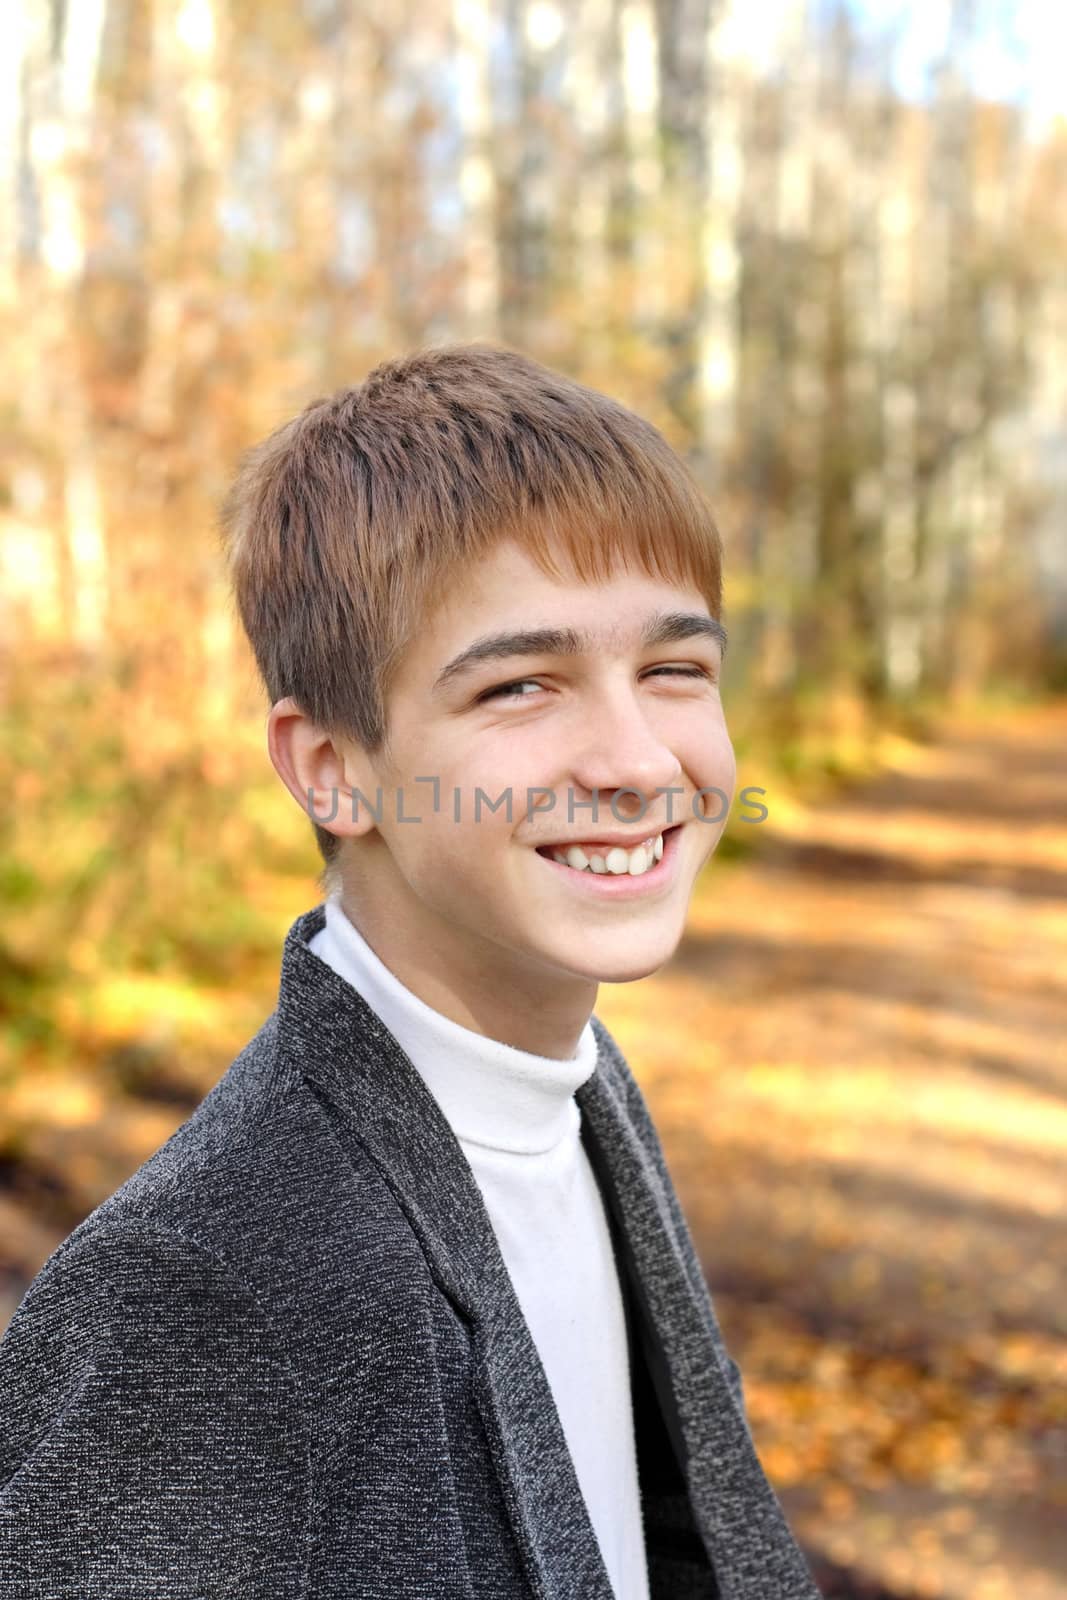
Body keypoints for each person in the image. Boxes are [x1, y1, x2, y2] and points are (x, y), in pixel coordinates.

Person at [0, 344, 822, 1598]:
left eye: (671, 669)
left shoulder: (575, 1095)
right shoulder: (199, 1296)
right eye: (519, 685)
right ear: (329, 764)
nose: (639, 761)